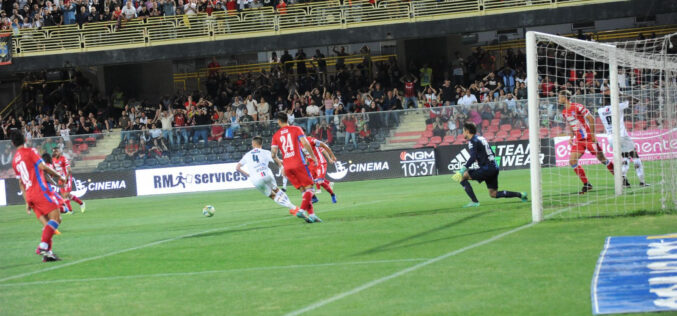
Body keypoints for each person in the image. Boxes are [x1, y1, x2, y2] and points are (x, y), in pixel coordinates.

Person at [12, 132, 67, 262]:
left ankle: (48, 254)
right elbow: (43, 167)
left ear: (13, 144)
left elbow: (20, 183)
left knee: (47, 224)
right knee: (56, 219)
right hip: (40, 191)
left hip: (30, 195)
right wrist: (59, 176)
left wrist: (27, 202)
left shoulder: (14, 160)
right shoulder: (30, 151)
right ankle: (43, 246)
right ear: (25, 139)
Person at [451, 123, 528, 207]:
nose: (463, 134)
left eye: (463, 131)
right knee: (493, 194)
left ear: (467, 131)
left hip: (487, 168)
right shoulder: (481, 138)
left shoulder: (472, 141)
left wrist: (462, 169)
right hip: (494, 167)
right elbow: (492, 153)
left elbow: (472, 157)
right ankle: (521, 195)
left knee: (462, 176)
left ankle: (474, 202)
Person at [559, 90, 615, 194]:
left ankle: (620, 178)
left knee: (602, 159)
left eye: (559, 97)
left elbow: (591, 119)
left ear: (564, 98)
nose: (558, 99)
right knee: (572, 161)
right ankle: (587, 184)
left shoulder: (578, 106)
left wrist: (593, 135)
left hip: (588, 138)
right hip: (579, 140)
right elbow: (571, 125)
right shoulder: (564, 112)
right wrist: (571, 137)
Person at [270, 112, 322, 223]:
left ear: (279, 121)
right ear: (287, 119)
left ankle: (312, 215)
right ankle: (302, 210)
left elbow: (273, 154)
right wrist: (313, 157)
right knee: (310, 189)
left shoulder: (276, 135)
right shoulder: (296, 129)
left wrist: (281, 165)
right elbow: (306, 143)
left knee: (304, 192)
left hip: (287, 166)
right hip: (298, 163)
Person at [236, 136, 300, 215]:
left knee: (272, 195)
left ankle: (292, 207)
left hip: (256, 179)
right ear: (261, 144)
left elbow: (237, 167)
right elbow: (277, 160)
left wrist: (247, 174)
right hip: (266, 175)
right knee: (277, 190)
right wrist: (286, 164)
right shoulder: (265, 152)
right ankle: (293, 208)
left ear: (253, 144)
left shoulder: (247, 155)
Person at [597, 99, 647, 187]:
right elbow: (636, 101)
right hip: (622, 135)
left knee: (625, 158)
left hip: (611, 138)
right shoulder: (618, 106)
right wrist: (620, 94)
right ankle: (642, 181)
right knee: (635, 157)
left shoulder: (600, 111)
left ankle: (623, 180)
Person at [52, 147, 86, 213]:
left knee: (65, 195)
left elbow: (69, 170)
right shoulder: (53, 159)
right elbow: (54, 169)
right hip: (60, 179)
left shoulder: (64, 158)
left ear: (59, 151)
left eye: (57, 151)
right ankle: (81, 203)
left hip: (67, 178)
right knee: (66, 195)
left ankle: (70, 211)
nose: (56, 152)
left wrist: (66, 179)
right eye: (54, 151)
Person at [306, 135, 337, 203]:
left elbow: (324, 146)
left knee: (320, 181)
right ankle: (314, 198)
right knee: (308, 183)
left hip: (320, 163)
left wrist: (332, 156)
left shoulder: (312, 140)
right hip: (312, 165)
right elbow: (306, 154)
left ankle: (332, 195)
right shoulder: (299, 143)